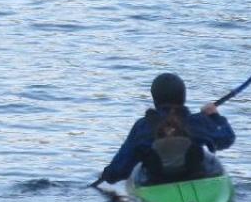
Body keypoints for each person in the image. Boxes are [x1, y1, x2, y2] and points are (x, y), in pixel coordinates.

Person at [94, 73, 236, 187]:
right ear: (183, 97)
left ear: (155, 99)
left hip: (156, 181)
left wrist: (107, 175)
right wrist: (215, 116)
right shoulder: (198, 121)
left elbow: (122, 166)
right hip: (194, 176)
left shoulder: (143, 126)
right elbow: (227, 138)